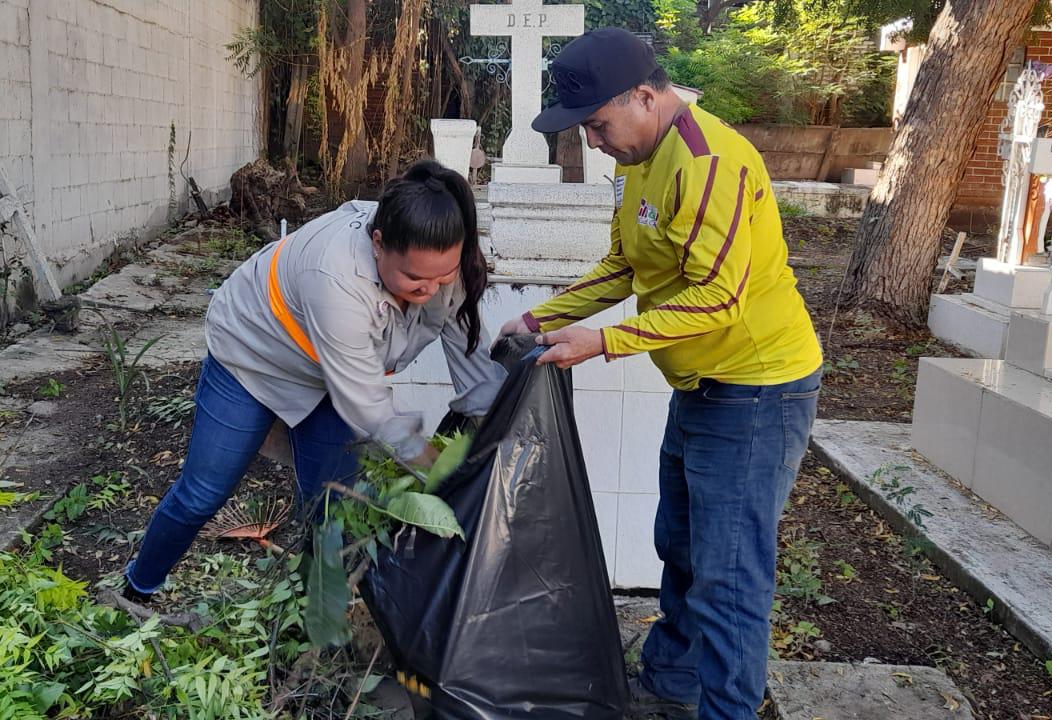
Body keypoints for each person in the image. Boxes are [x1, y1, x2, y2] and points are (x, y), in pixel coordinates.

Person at [497, 29, 823, 719]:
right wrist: (538, 320)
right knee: (678, 544)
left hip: (757, 390)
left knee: (729, 575)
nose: (593, 142)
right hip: (701, 385)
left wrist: (604, 343)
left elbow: (719, 298)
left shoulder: (709, 165)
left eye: (597, 125)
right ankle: (671, 684)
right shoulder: (637, 159)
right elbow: (625, 268)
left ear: (644, 96)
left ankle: (726, 710)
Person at [125, 159, 506, 600]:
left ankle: (316, 613)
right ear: (378, 244)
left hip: (328, 378)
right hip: (253, 358)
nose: (431, 290)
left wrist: (500, 433)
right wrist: (436, 470)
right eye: (415, 279)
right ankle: (137, 589)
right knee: (203, 492)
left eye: (442, 277)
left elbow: (474, 367)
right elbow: (368, 406)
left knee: (333, 505)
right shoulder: (336, 276)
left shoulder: (445, 271)